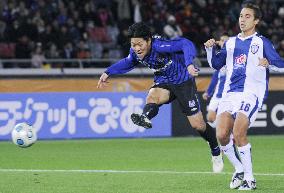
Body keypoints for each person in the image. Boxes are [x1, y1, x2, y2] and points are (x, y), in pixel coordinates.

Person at [97, 22, 224, 173]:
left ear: (149, 40)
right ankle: (145, 117)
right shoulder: (135, 52)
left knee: (198, 125)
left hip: (183, 81)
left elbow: (185, 43)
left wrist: (189, 63)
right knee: (152, 97)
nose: (136, 48)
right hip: (163, 80)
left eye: (140, 44)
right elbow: (128, 62)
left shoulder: (160, 45)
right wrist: (108, 72)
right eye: (133, 44)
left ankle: (216, 151)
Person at [204, 2, 284, 190]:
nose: (242, 19)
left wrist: (269, 64)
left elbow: (279, 63)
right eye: (241, 16)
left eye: (247, 16)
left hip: (251, 93)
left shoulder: (262, 42)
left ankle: (250, 178)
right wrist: (209, 50)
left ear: (256, 21)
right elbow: (216, 64)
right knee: (222, 135)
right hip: (230, 94)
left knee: (239, 133)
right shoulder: (230, 42)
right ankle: (239, 169)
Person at [203, 34, 229, 127]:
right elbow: (214, 79)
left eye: (225, 41)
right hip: (218, 95)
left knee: (226, 119)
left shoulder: (233, 58)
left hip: (228, 96)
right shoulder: (219, 59)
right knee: (210, 117)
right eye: (221, 40)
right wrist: (208, 92)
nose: (222, 42)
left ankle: (226, 135)